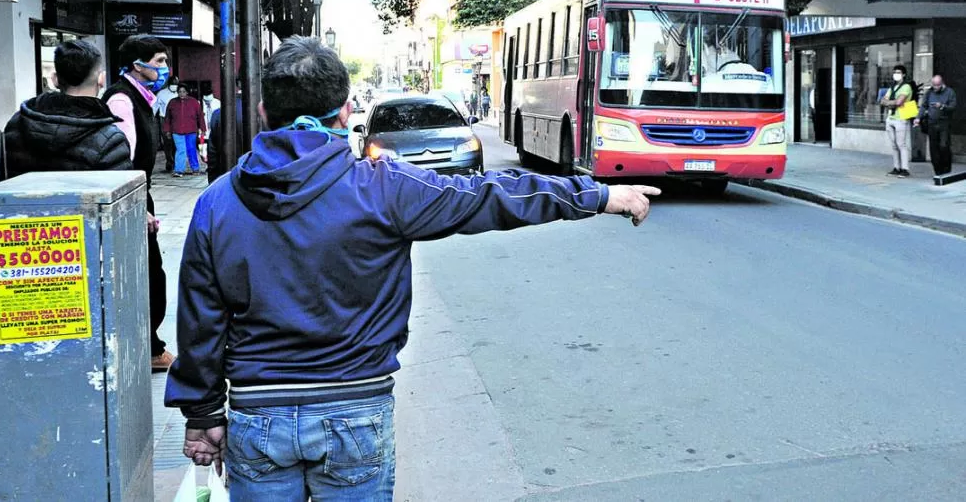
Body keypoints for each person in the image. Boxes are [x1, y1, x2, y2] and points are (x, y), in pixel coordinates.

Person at [165, 36, 660, 499]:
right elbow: (490, 194)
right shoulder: (385, 188)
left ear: (263, 111)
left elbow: (199, 319)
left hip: (258, 417)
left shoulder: (217, 202)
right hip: (357, 412)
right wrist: (599, 194)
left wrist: (202, 412)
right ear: (345, 111)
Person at [102, 34, 175, 372]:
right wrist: (137, 206)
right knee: (147, 274)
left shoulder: (143, 97)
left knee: (150, 273)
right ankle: (149, 349)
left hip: (138, 193)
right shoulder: (122, 100)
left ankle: (149, 344)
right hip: (130, 195)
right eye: (159, 61)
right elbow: (121, 159)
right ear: (138, 65)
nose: (164, 69)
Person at [4, 40, 132, 178]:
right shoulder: (110, 139)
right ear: (101, 79)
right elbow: (121, 195)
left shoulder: (17, 123)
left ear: (55, 79)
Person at [915, 74, 957, 176]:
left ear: (942, 83)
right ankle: (937, 171)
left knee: (943, 146)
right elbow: (924, 106)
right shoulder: (929, 92)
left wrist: (942, 106)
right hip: (932, 122)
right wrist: (918, 118)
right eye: (934, 85)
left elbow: (953, 106)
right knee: (933, 148)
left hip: (944, 123)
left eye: (938, 85)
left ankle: (946, 169)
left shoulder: (949, 92)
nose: (936, 87)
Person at [879, 64, 916, 178]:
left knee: (901, 144)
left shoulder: (906, 87)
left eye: (899, 72)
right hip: (890, 118)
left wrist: (889, 102)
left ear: (904, 74)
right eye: (895, 72)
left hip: (901, 118)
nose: (896, 74)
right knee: (894, 145)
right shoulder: (892, 87)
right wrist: (891, 102)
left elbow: (899, 102)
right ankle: (896, 168)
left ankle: (905, 169)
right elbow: (882, 101)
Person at [164, 84, 206, 177]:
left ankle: (195, 168)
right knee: (181, 150)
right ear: (177, 93)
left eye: (183, 91)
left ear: (187, 92)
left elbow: (200, 117)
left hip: (191, 130)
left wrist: (203, 129)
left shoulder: (194, 102)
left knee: (191, 150)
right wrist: (167, 130)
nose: (181, 94)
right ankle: (179, 170)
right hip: (177, 131)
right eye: (179, 92)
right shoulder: (172, 102)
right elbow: (168, 118)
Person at [206, 81, 245, 184]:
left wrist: (213, 184)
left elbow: (212, 155)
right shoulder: (267, 112)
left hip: (227, 179)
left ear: (238, 83)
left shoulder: (219, 114)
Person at [155, 77, 179, 173]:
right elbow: (155, 108)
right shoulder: (161, 94)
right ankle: (170, 162)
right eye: (173, 84)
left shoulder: (180, 92)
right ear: (169, 84)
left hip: (177, 119)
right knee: (167, 142)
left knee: (176, 142)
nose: (174, 86)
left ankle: (176, 162)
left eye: (176, 84)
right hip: (165, 119)